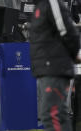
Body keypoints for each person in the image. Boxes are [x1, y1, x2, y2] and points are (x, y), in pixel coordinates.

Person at [30, 0, 80, 131]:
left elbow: (69, 32)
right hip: (45, 68)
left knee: (51, 114)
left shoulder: (51, 3)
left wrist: (72, 55)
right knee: (54, 114)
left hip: (53, 67)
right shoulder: (39, 6)